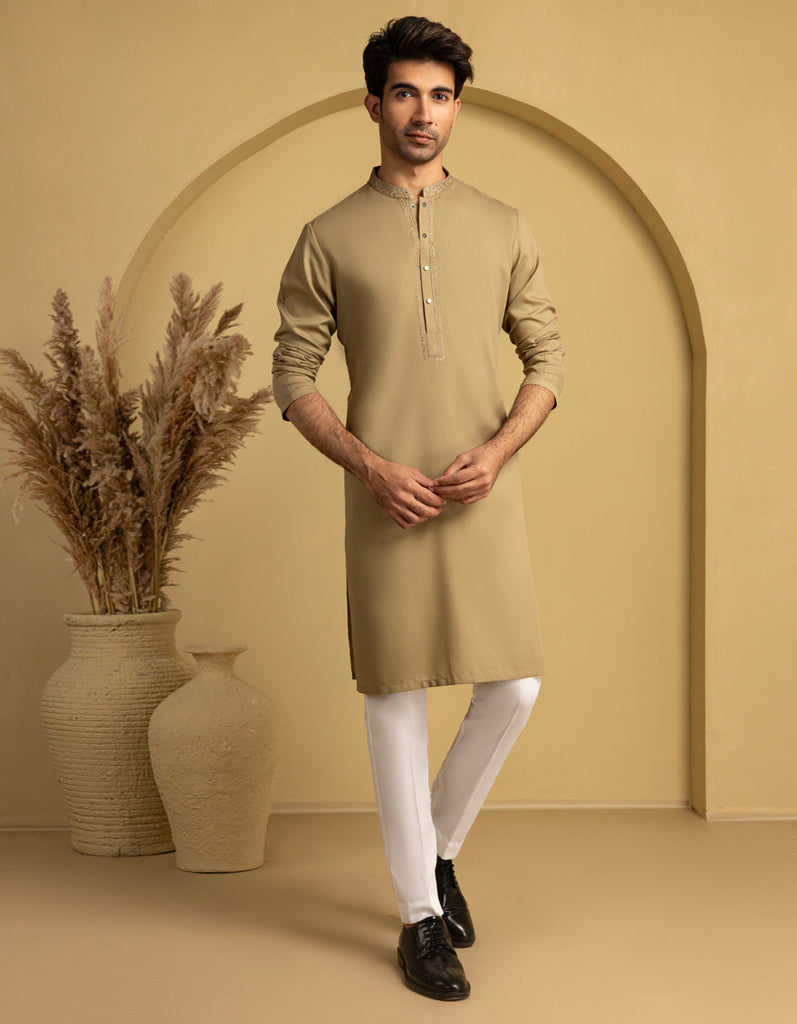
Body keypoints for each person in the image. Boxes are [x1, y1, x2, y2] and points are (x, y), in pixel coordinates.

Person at [272, 15, 564, 1002]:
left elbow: (548, 358)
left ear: (456, 107)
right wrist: (367, 465)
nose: (423, 112)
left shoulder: (504, 225)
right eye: (404, 92)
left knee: (513, 686)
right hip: (384, 500)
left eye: (440, 95)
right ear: (373, 104)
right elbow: (292, 374)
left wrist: (498, 449)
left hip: (482, 494)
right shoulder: (327, 237)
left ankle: (434, 853)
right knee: (394, 700)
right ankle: (416, 918)